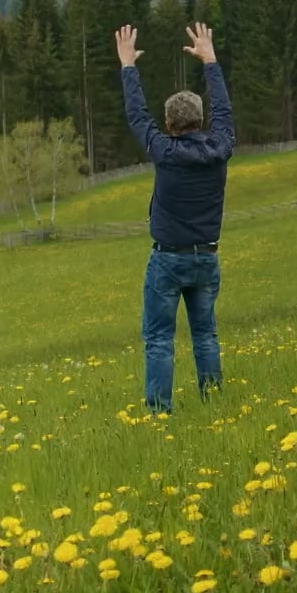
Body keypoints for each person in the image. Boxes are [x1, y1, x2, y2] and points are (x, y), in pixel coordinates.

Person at [116, 22, 235, 411]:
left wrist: (128, 66)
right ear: (200, 122)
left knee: (159, 339)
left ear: (168, 126)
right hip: (207, 257)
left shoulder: (164, 151)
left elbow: (136, 115)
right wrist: (210, 60)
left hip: (168, 258)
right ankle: (214, 404)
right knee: (205, 335)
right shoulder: (221, 146)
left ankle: (158, 413)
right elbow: (224, 109)